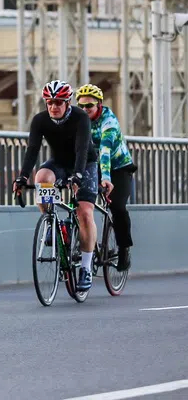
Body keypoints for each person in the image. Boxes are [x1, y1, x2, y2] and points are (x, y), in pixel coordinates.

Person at [12, 80, 99, 292]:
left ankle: (86, 268)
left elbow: (81, 150)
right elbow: (32, 151)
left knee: (85, 213)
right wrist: (22, 178)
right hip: (59, 163)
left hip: (85, 162)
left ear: (68, 102)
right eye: (49, 102)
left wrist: (77, 176)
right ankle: (51, 221)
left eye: (59, 102)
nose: (54, 107)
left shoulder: (80, 117)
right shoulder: (40, 120)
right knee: (42, 176)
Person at [76, 83, 136, 272]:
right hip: (93, 166)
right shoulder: (78, 120)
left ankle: (124, 248)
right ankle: (86, 242)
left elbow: (105, 150)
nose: (85, 110)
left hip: (118, 169)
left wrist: (106, 177)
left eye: (89, 106)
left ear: (99, 105)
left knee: (117, 206)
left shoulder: (108, 121)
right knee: (81, 204)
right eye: (81, 107)